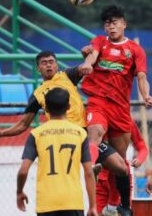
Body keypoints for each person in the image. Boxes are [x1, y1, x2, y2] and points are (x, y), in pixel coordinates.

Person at [80, 5, 152, 215]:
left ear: (124, 24)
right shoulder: (100, 42)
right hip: (99, 102)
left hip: (121, 110)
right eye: (107, 23)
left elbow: (141, 77)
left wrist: (146, 95)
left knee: (120, 166)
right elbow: (92, 56)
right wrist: (87, 63)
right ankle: (91, 165)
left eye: (114, 22)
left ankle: (115, 205)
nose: (110, 27)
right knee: (94, 133)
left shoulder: (136, 51)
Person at [16, 87, 98, 216]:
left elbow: (23, 171)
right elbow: (89, 172)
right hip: (73, 202)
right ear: (69, 107)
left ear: (46, 109)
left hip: (47, 204)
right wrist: (93, 206)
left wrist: (19, 192)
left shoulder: (36, 134)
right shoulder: (80, 134)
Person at [0, 50, 91, 139]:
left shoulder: (67, 75)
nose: (48, 65)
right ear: (38, 68)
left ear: (56, 65)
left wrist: (89, 59)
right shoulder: (37, 94)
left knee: (105, 157)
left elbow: (84, 67)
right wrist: (1, 133)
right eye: (44, 63)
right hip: (61, 136)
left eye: (51, 62)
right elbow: (23, 125)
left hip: (84, 131)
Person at [97, 120, 149, 216]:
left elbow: (142, 147)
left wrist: (139, 159)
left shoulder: (126, 120)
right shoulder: (98, 121)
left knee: (122, 212)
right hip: (100, 180)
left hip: (121, 180)